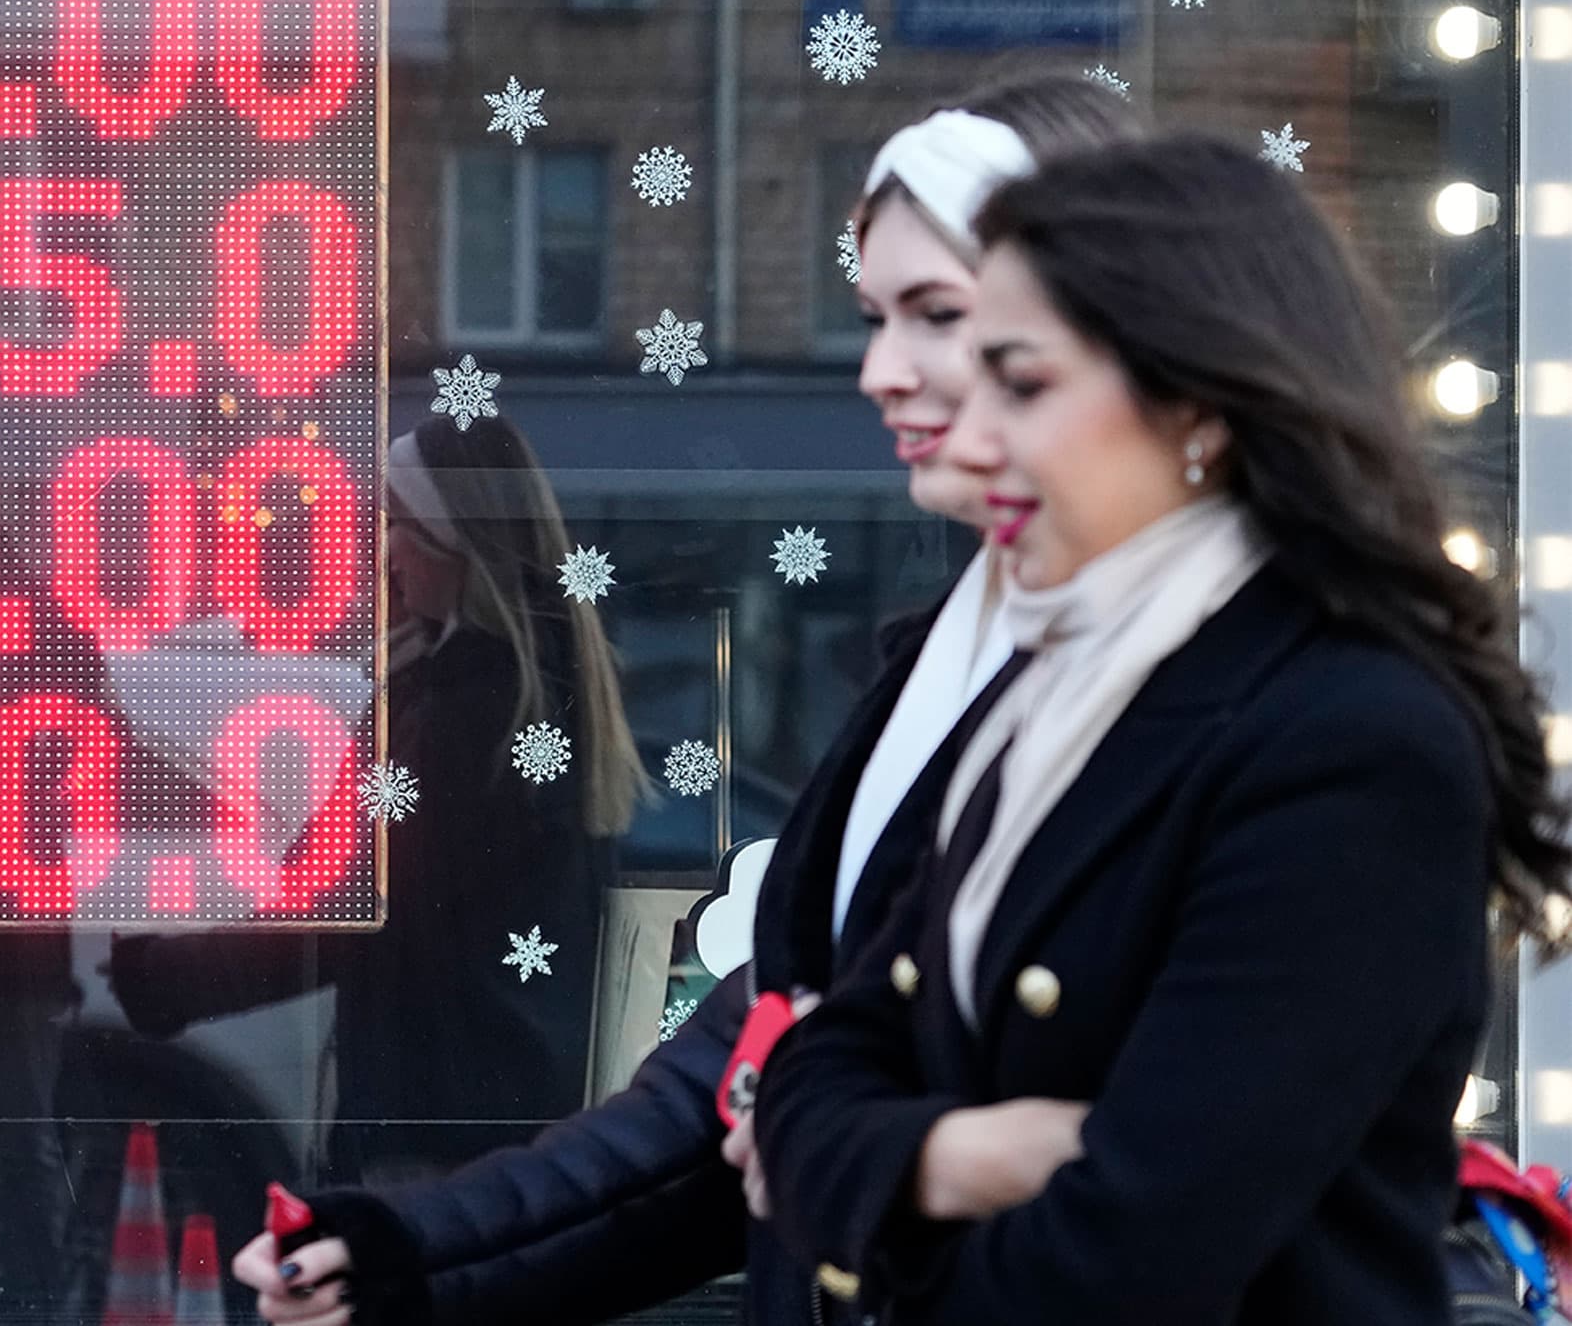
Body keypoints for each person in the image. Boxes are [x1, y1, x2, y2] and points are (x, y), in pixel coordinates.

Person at [227, 72, 1140, 1326]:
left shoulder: (1276, 696)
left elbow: (1197, 1163)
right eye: (875, 316)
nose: (880, 371)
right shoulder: (936, 677)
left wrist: (841, 1138)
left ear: (1107, 315)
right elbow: (718, 1093)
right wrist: (402, 1258)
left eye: (936, 313)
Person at [752, 132, 1572, 1326]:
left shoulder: (1350, 738)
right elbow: (812, 1073)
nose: (970, 441)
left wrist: (872, 1197)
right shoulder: (1059, 689)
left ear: (1196, 401)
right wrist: (964, 1160)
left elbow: (1120, 1262)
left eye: (1020, 385)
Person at [109, 411, 649, 1182]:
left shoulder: (463, 717)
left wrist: (161, 979)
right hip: (502, 1110)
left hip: (439, 1130)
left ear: (447, 540)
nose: (380, 548)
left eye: (395, 522)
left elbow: (345, 907)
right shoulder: (530, 690)